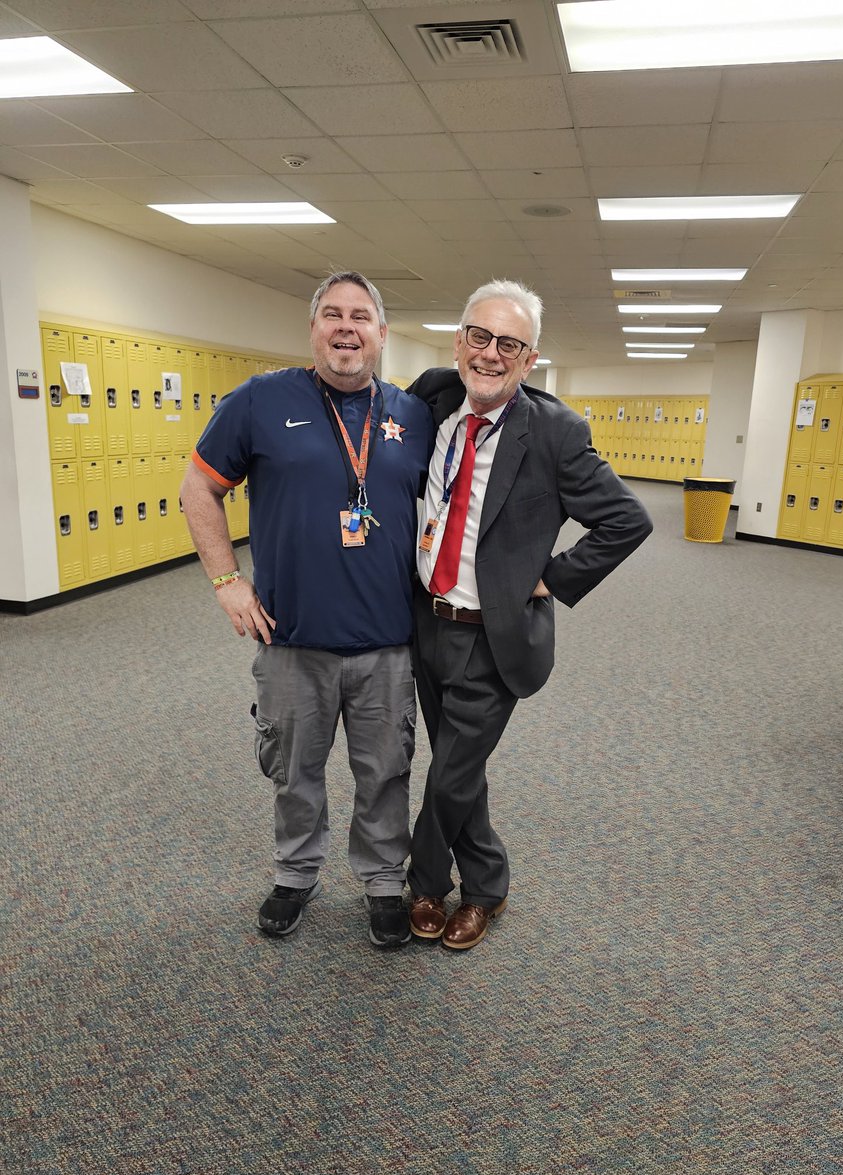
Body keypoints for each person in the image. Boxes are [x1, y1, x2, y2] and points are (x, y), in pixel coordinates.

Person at [180, 271, 433, 949]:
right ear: (313, 328)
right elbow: (199, 488)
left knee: (386, 770)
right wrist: (225, 580)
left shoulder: (412, 415)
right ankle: (295, 873)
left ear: (382, 333)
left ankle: (383, 882)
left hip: (387, 641)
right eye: (331, 314)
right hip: (292, 638)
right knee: (294, 768)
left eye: (359, 316)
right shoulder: (262, 400)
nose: (345, 327)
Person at [408, 279, 653, 951]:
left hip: (495, 636)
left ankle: (424, 881)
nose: (490, 354)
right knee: (458, 767)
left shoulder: (555, 432)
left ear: (529, 357)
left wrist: (547, 580)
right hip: (426, 623)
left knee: (451, 771)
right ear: (460, 341)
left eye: (508, 344)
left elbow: (627, 521)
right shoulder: (432, 397)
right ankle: (487, 880)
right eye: (478, 337)